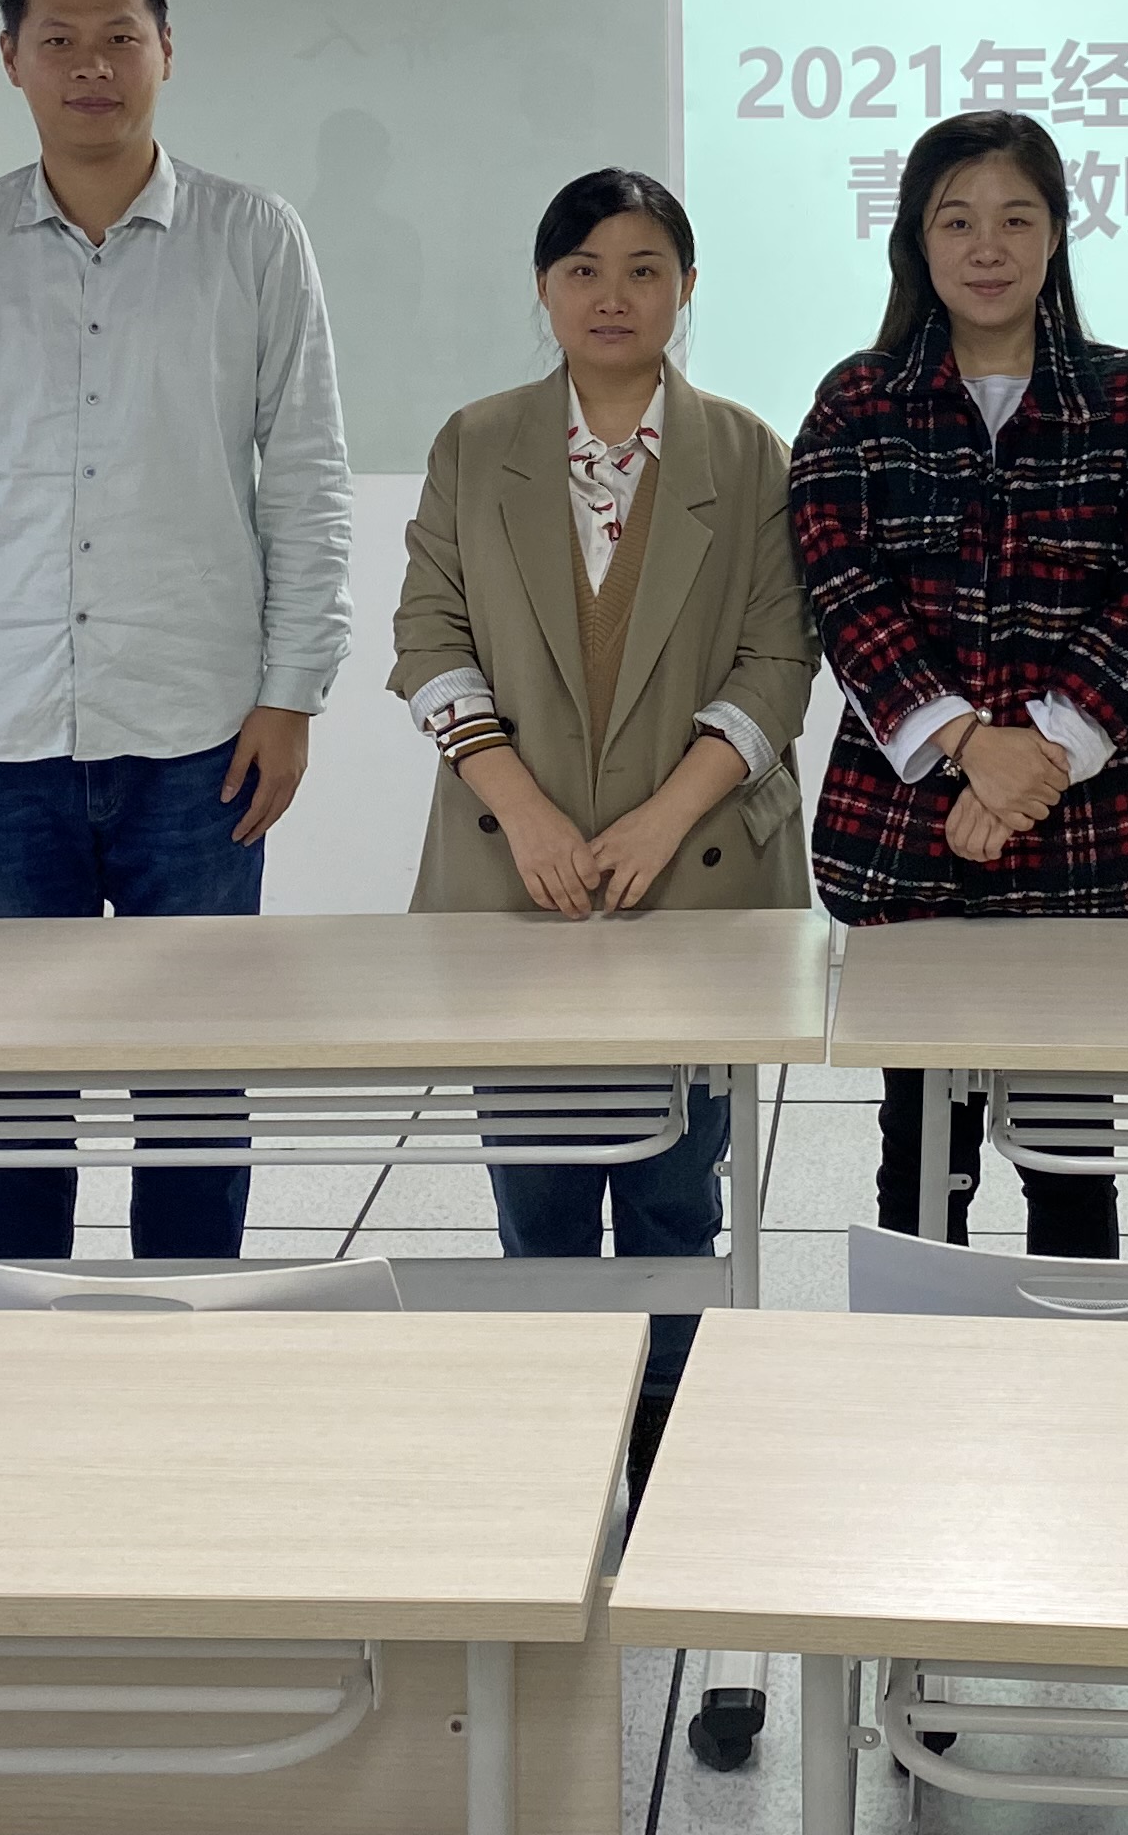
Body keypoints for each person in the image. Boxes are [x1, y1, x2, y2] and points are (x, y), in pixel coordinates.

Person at [0, 0, 355, 1266]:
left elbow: (308, 480)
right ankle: (9, 1343)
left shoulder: (254, 239)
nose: (92, 66)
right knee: (8, 1080)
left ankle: (184, 1340)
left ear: (167, 51)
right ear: (10, 57)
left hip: (200, 730)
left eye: (120, 37)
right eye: (60, 40)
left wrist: (292, 694)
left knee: (196, 1078)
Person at [390, 168, 810, 1470]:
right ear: (544, 287)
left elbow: (777, 662)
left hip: (694, 875)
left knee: (679, 1200)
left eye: (643, 269)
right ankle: (556, 1453)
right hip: (515, 877)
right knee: (540, 1194)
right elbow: (427, 637)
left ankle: (673, 1448)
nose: (612, 295)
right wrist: (521, 811)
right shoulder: (477, 443)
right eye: (583, 269)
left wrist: (659, 822)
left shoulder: (746, 452)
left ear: (687, 288)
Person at [788, 109, 1128, 1258]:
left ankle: (1078, 1354)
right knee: (923, 1155)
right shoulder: (858, 400)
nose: (987, 247)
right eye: (957, 221)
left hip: (1086, 843)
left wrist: (1039, 762)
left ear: (1056, 235)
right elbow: (842, 589)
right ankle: (917, 1357)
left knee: (1073, 1149)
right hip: (905, 843)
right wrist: (973, 747)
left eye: (1016, 219)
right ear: (917, 241)